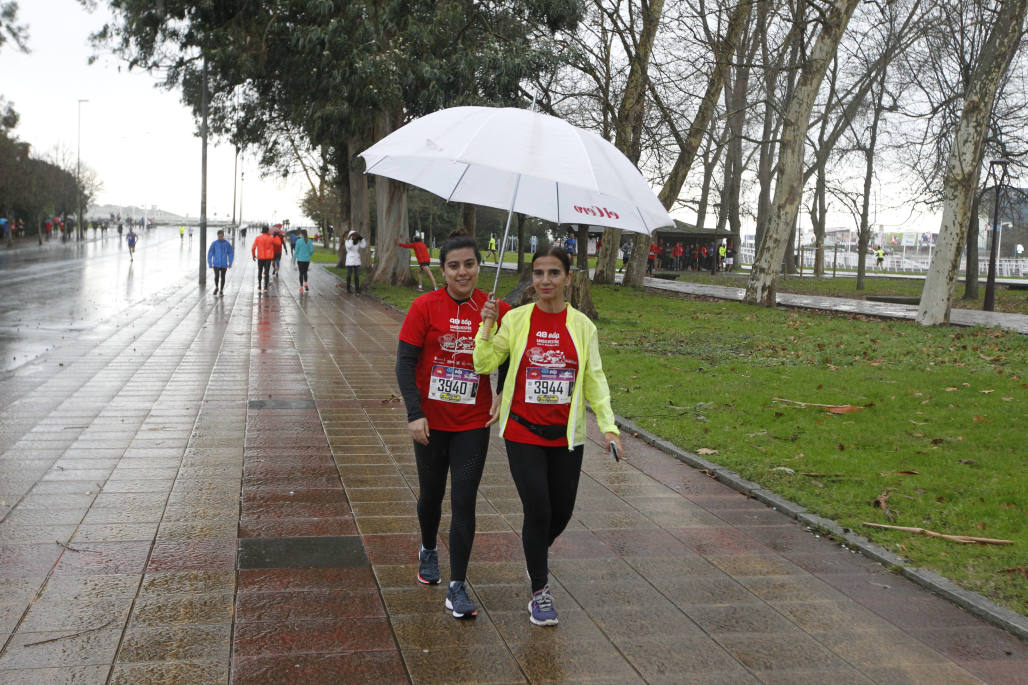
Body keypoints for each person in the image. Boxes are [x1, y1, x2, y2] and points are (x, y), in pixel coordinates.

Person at [475, 246, 622, 627]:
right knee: (537, 507)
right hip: (522, 430)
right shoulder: (518, 320)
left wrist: (608, 426)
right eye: (538, 273)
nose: (545, 281)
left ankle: (533, 552)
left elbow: (594, 379)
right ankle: (539, 590)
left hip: (566, 437)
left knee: (562, 511)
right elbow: (484, 362)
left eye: (554, 273)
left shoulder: (583, 327)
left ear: (568, 279)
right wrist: (486, 325)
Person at [396, 231, 512, 620]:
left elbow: (511, 356)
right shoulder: (424, 307)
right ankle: (428, 547)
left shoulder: (497, 309)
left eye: (469, 264)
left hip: (472, 424)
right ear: (442, 270)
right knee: (431, 497)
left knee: (464, 500)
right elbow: (405, 363)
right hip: (431, 423)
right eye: (454, 266)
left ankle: (458, 586)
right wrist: (414, 413)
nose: (463, 272)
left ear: (480, 266)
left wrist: (501, 392)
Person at [207, 229, 235, 295]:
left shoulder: (227, 244)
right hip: (216, 263)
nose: (220, 238)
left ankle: (221, 290)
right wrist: (210, 263)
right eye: (219, 237)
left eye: (221, 236)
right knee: (216, 276)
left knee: (223, 277)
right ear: (217, 236)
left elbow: (231, 253)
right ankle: (216, 287)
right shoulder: (214, 243)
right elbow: (210, 253)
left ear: (223, 235)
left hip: (224, 264)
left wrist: (230, 263)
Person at [251, 226, 276, 292]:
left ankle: (259, 286)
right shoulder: (271, 238)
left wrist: (253, 255)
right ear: (268, 231)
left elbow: (253, 248)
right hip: (268, 258)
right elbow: (278, 244)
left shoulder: (258, 238)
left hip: (260, 257)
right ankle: (265, 287)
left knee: (260, 271)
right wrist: (276, 236)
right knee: (267, 272)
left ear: (262, 231)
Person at [292, 229, 315, 293]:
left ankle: (301, 287)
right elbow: (312, 250)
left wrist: (294, 259)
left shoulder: (298, 241)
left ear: (301, 234)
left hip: (300, 260)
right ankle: (306, 283)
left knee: (301, 273)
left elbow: (296, 251)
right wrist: (309, 254)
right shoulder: (309, 241)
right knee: (305, 272)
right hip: (307, 260)